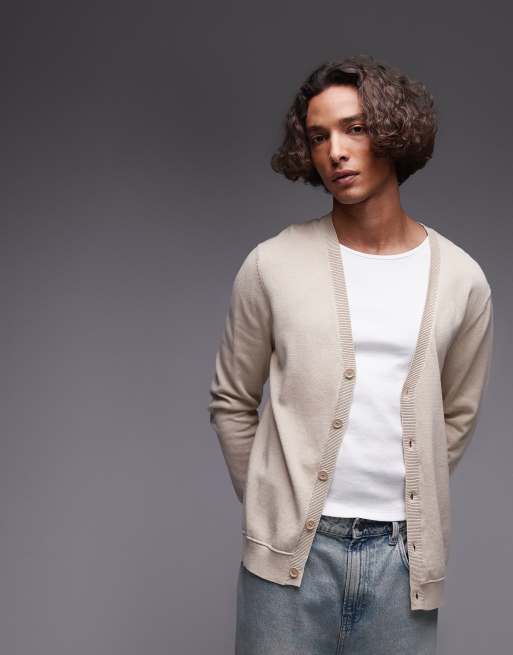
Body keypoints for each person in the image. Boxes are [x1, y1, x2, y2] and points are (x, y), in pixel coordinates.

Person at [207, 54, 494, 654]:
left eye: (354, 129)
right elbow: (232, 400)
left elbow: (456, 415)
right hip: (289, 560)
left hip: (403, 562)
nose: (335, 151)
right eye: (319, 137)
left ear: (391, 133)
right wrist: (270, 501)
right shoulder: (272, 265)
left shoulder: (462, 279)